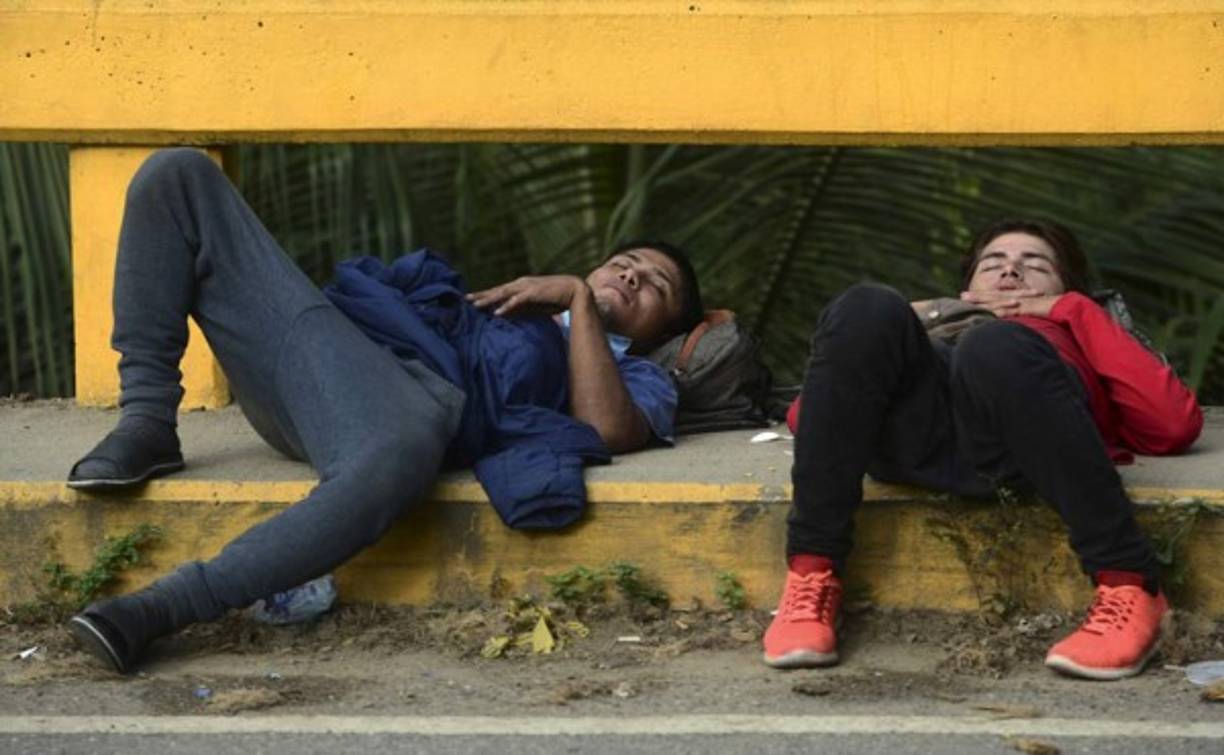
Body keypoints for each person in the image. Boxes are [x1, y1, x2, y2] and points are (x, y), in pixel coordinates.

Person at [65, 148, 704, 674]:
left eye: (654, 286)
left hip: (398, 418)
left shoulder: (639, 374)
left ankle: (158, 610)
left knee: (405, 443)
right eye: (623, 264)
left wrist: (577, 301)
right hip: (322, 361)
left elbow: (605, 429)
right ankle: (147, 419)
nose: (631, 277)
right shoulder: (506, 306)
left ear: (661, 331)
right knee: (177, 175)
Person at [764, 219, 1202, 680]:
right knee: (865, 304)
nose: (1011, 273)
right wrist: (920, 317)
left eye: (1035, 266)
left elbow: (1172, 425)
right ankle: (812, 575)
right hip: (918, 438)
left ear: (1065, 287)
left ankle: (1130, 584)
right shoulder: (924, 334)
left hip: (1022, 441)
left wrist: (1074, 310)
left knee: (994, 344)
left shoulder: (1074, 327)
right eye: (994, 264)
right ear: (968, 286)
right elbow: (808, 418)